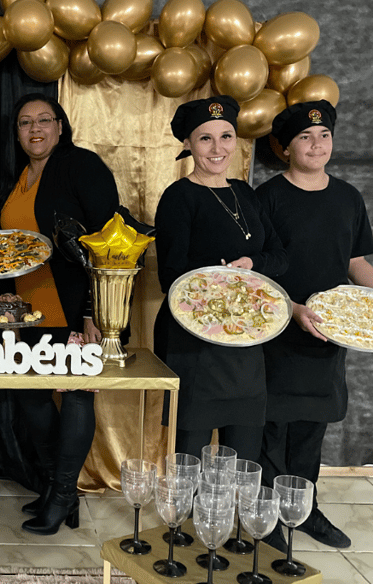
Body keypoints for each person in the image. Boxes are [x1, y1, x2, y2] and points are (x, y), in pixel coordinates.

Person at [0, 93, 132, 535]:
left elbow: (110, 241)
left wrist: (94, 312)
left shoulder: (81, 166)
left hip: (76, 308)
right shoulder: (20, 176)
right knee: (31, 396)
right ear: (17, 133)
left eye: (44, 119)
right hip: (29, 311)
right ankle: (57, 487)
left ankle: (61, 495)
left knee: (75, 395)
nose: (35, 128)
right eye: (25, 122)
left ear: (60, 126)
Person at [257, 100, 373, 552]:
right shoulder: (268, 197)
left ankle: (303, 510)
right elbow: (257, 274)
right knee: (272, 428)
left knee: (312, 427)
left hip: (328, 332)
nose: (316, 144)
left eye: (324, 135)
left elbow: (355, 262)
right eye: (305, 137)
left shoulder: (348, 197)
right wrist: (293, 309)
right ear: (286, 148)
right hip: (279, 331)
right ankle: (267, 517)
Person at [153, 96, 288, 462]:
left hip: (246, 342)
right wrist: (220, 279)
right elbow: (170, 277)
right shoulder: (178, 197)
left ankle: (233, 504)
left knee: (243, 457)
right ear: (188, 144)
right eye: (205, 138)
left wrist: (252, 263)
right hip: (194, 345)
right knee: (189, 458)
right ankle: (185, 504)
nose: (218, 148)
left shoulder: (245, 192)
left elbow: (280, 258)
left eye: (226, 136)